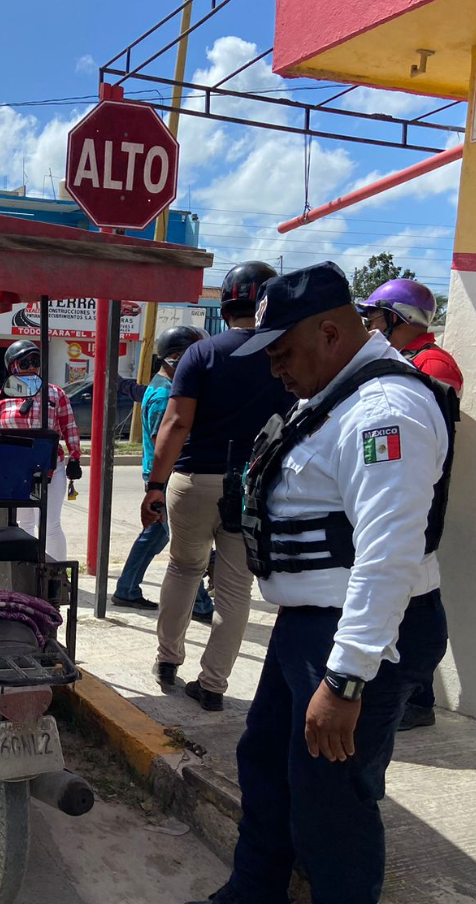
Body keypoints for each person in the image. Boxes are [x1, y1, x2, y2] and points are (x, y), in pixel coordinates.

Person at [178, 263, 456, 904]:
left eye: (281, 352)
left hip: (361, 631)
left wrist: (347, 676)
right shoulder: (332, 392)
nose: (274, 369)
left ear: (331, 332)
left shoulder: (384, 412)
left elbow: (388, 555)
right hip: (310, 622)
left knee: (333, 793)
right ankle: (260, 895)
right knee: (267, 760)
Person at [141, 262, 294, 711]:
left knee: (183, 570)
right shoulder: (283, 352)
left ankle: (168, 661)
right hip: (254, 484)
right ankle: (213, 686)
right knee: (234, 588)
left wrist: (154, 485)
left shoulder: (201, 354)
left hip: (194, 480)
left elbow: (176, 423)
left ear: (225, 302)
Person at [358, 278, 464, 730]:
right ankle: (414, 696)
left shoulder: (432, 363)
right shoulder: (399, 359)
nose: (369, 323)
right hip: (400, 491)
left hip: (419, 497)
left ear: (400, 319)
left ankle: (418, 701)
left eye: (376, 316)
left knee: (416, 599)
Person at [113, 326, 214, 621]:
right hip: (167, 478)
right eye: (194, 356)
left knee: (156, 535)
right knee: (188, 542)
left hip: (163, 476)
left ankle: (127, 588)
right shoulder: (162, 395)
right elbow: (164, 444)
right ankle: (200, 605)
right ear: (174, 358)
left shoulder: (163, 388)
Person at [0, 340, 82, 561]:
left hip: (50, 469)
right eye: (25, 362)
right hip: (15, 473)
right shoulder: (0, 399)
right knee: (25, 524)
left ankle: (57, 575)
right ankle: (28, 572)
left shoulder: (55, 394)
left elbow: (69, 426)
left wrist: (75, 457)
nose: (32, 366)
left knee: (50, 524)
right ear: (12, 366)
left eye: (36, 361)